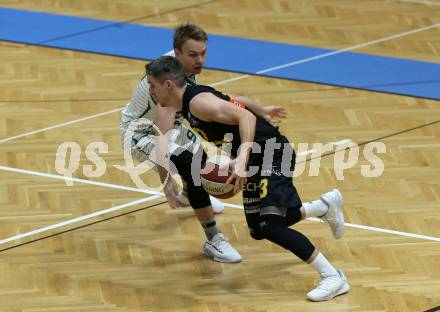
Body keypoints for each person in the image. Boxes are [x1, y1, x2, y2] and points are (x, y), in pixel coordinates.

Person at [146, 56, 350, 302]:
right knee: (257, 229)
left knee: (270, 225)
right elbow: (233, 101)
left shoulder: (198, 103)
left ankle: (333, 277)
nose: (150, 91)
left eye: (152, 85)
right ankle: (323, 207)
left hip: (274, 154)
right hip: (255, 159)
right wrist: (261, 109)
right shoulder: (187, 102)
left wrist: (241, 158)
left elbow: (246, 118)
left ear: (168, 85)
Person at [119, 25, 243, 263]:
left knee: (201, 162)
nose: (200, 60)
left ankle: (190, 194)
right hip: (139, 133)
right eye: (193, 55)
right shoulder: (163, 80)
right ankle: (214, 239)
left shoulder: (183, 68)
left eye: (203, 53)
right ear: (177, 53)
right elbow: (160, 136)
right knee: (193, 168)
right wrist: (166, 183)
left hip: (169, 125)